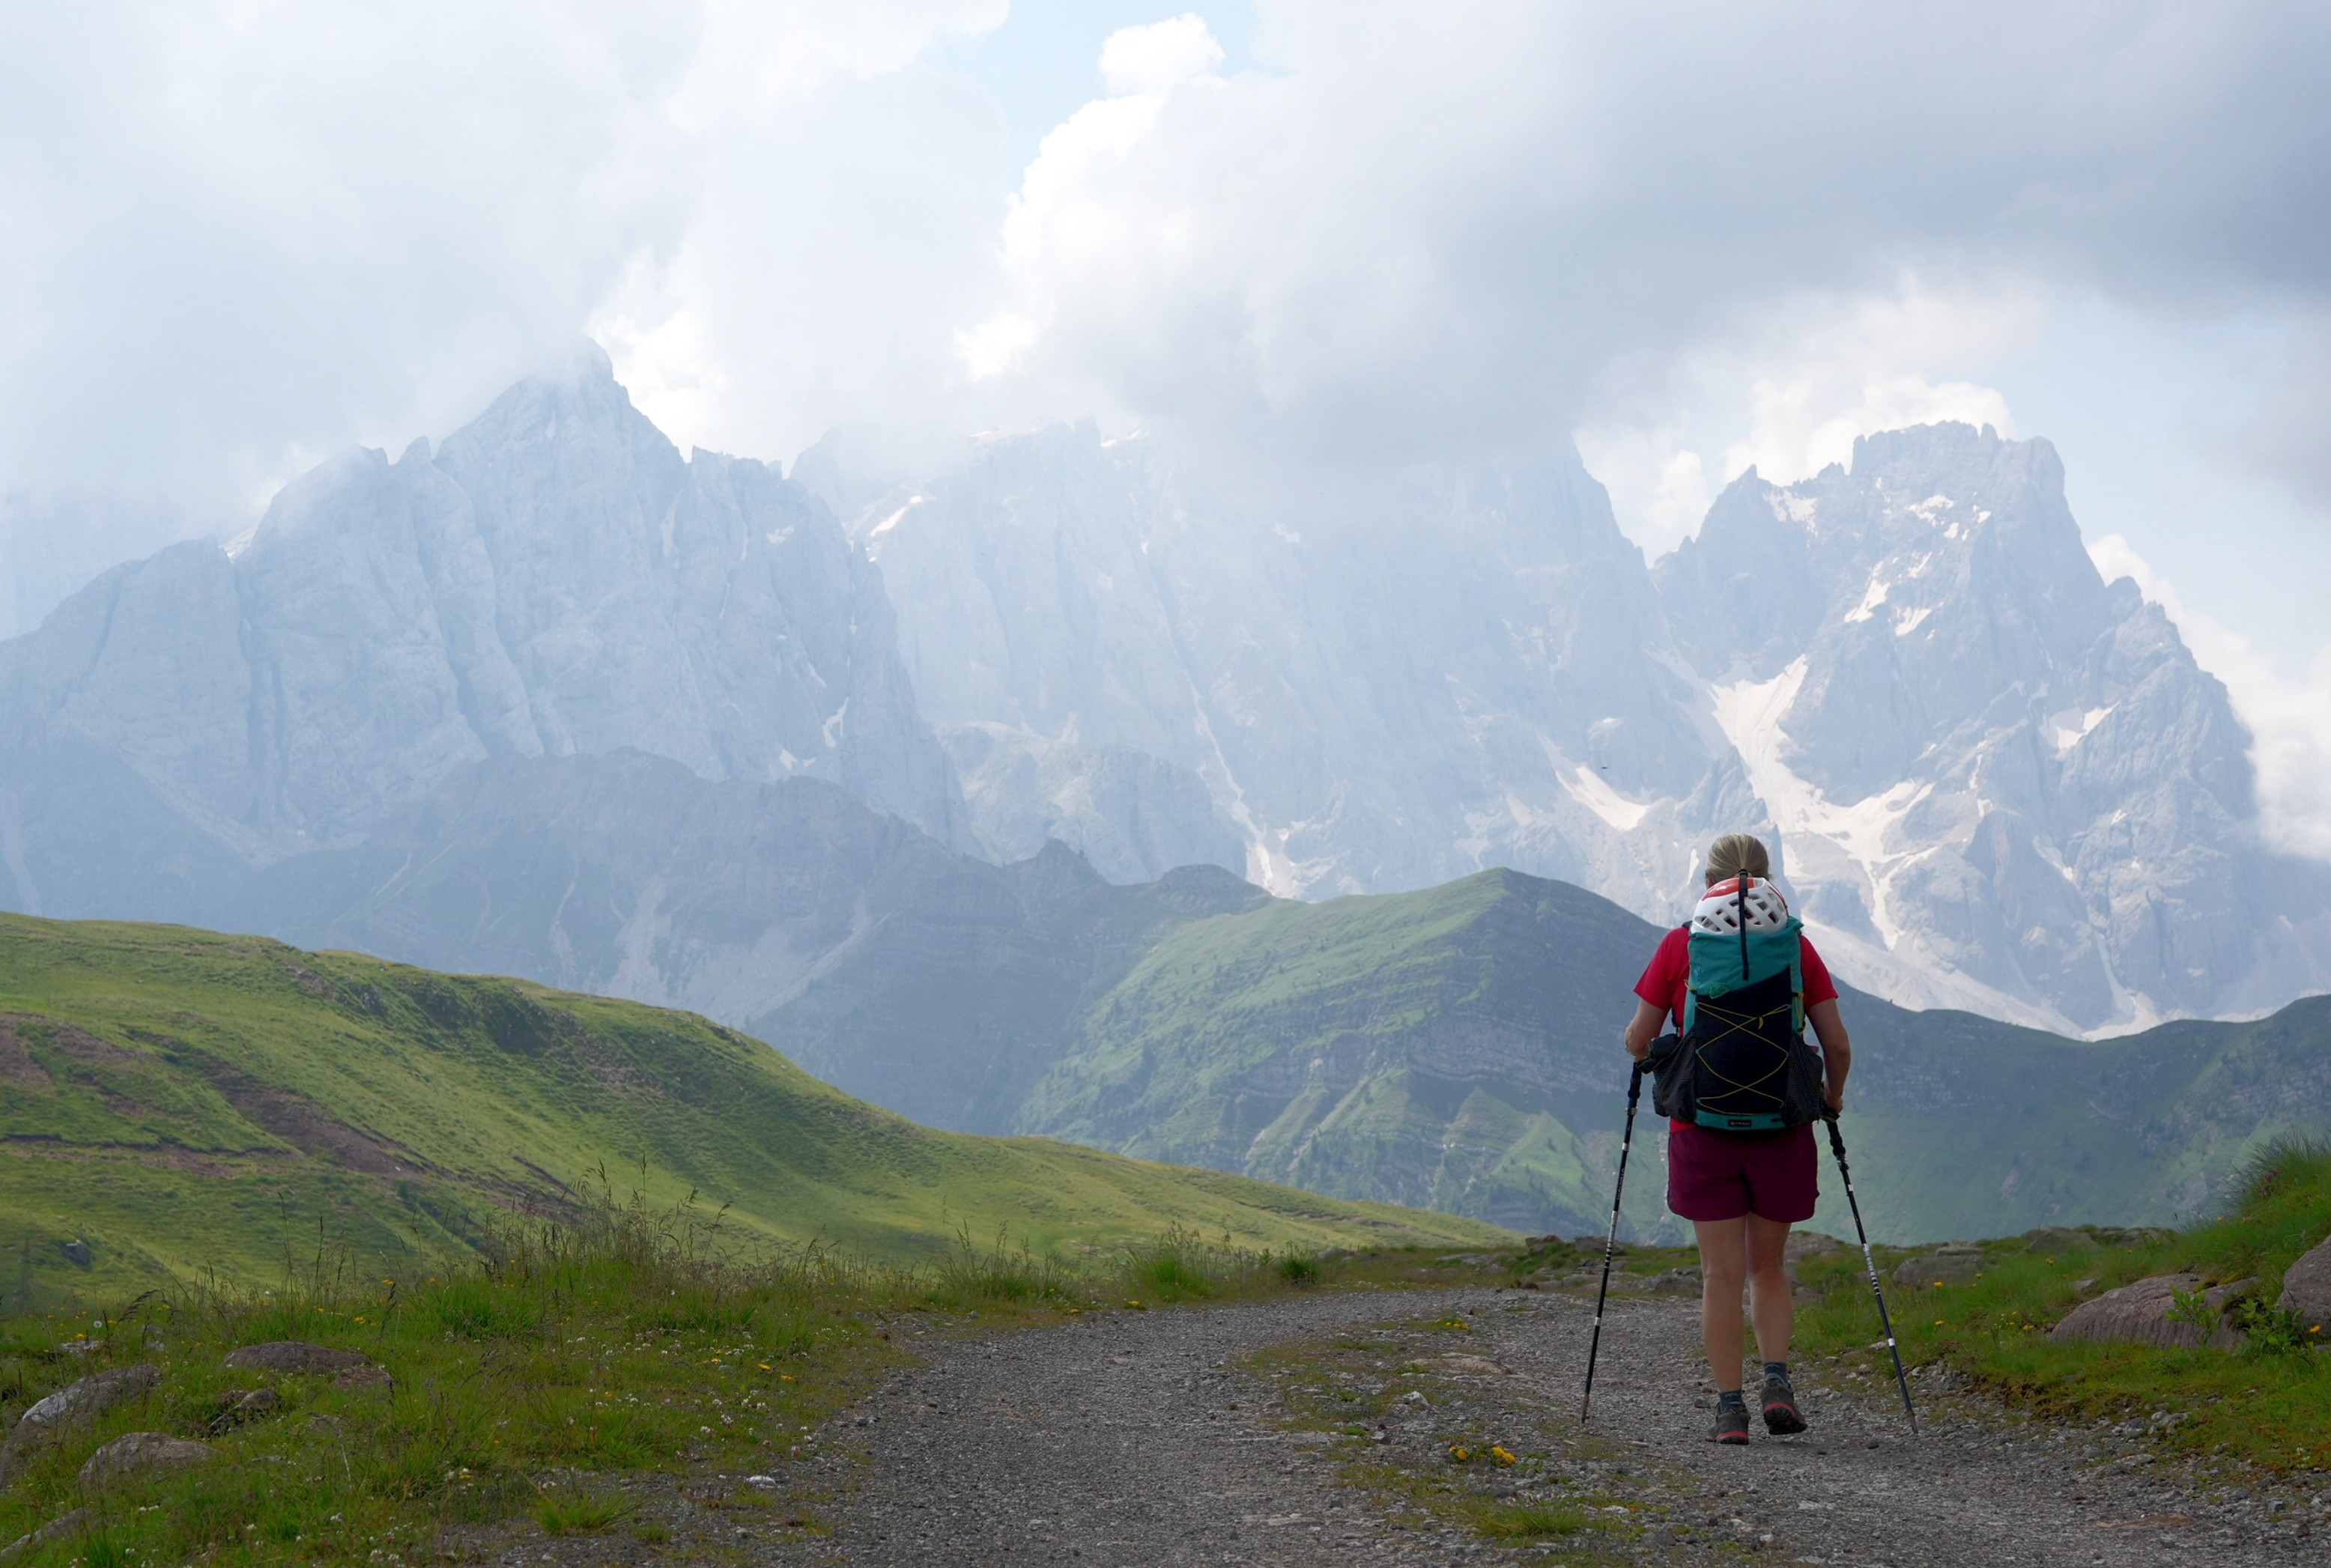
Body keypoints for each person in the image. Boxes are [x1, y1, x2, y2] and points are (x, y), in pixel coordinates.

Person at [1622, 833, 1850, 1444]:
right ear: (1768, 878)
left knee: (1719, 1275)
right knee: (1768, 1268)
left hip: (1703, 1131)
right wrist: (1831, 1098)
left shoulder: (1679, 946)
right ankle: (1776, 1380)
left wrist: (1652, 1047)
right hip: (1781, 1125)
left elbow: (1639, 1040)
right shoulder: (1795, 947)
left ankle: (1730, 1411)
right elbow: (1837, 1045)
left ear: (1709, 882)